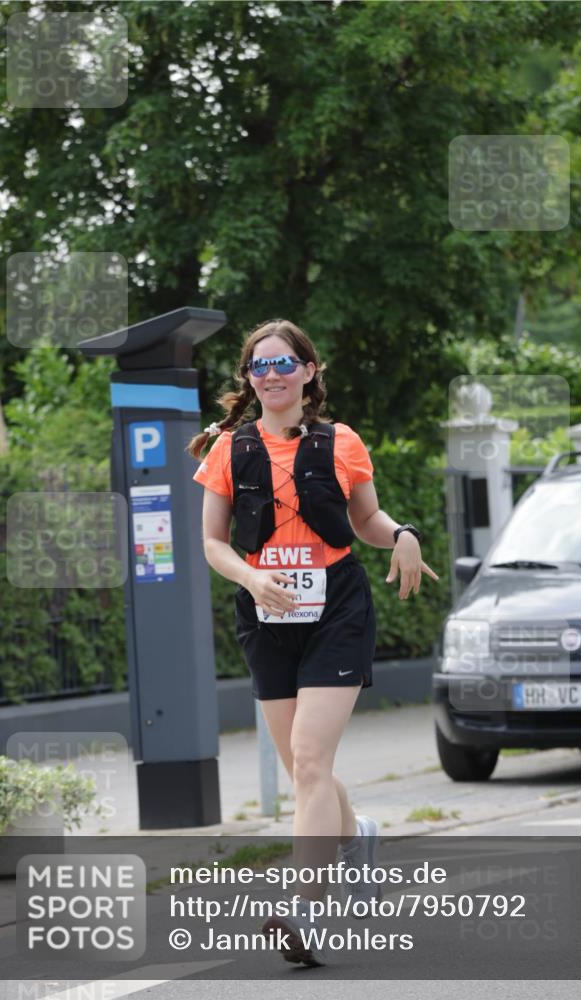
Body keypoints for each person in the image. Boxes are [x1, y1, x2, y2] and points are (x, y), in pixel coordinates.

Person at [187, 318, 439, 966]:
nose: (270, 375)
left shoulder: (340, 442)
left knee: (306, 760)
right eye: (258, 367)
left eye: (282, 364)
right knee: (311, 771)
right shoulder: (230, 450)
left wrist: (403, 533)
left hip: (336, 606)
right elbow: (213, 543)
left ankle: (306, 909)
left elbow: (366, 520)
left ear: (308, 371)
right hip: (266, 614)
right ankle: (357, 837)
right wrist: (251, 576)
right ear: (248, 380)